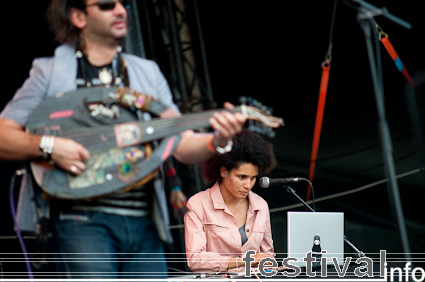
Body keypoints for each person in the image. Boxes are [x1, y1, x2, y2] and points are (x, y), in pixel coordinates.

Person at [0, 0, 246, 279]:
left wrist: (218, 139)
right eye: (106, 5)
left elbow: (181, 144)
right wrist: (49, 146)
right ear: (79, 16)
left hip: (143, 221)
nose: (120, 10)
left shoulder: (146, 73)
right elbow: (2, 135)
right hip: (80, 221)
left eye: (123, 3)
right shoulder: (50, 72)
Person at [184, 129, 277, 274]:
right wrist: (244, 262)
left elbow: (268, 256)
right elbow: (195, 260)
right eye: (242, 177)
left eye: (253, 178)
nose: (248, 185)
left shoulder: (261, 205)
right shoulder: (198, 204)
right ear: (223, 171)